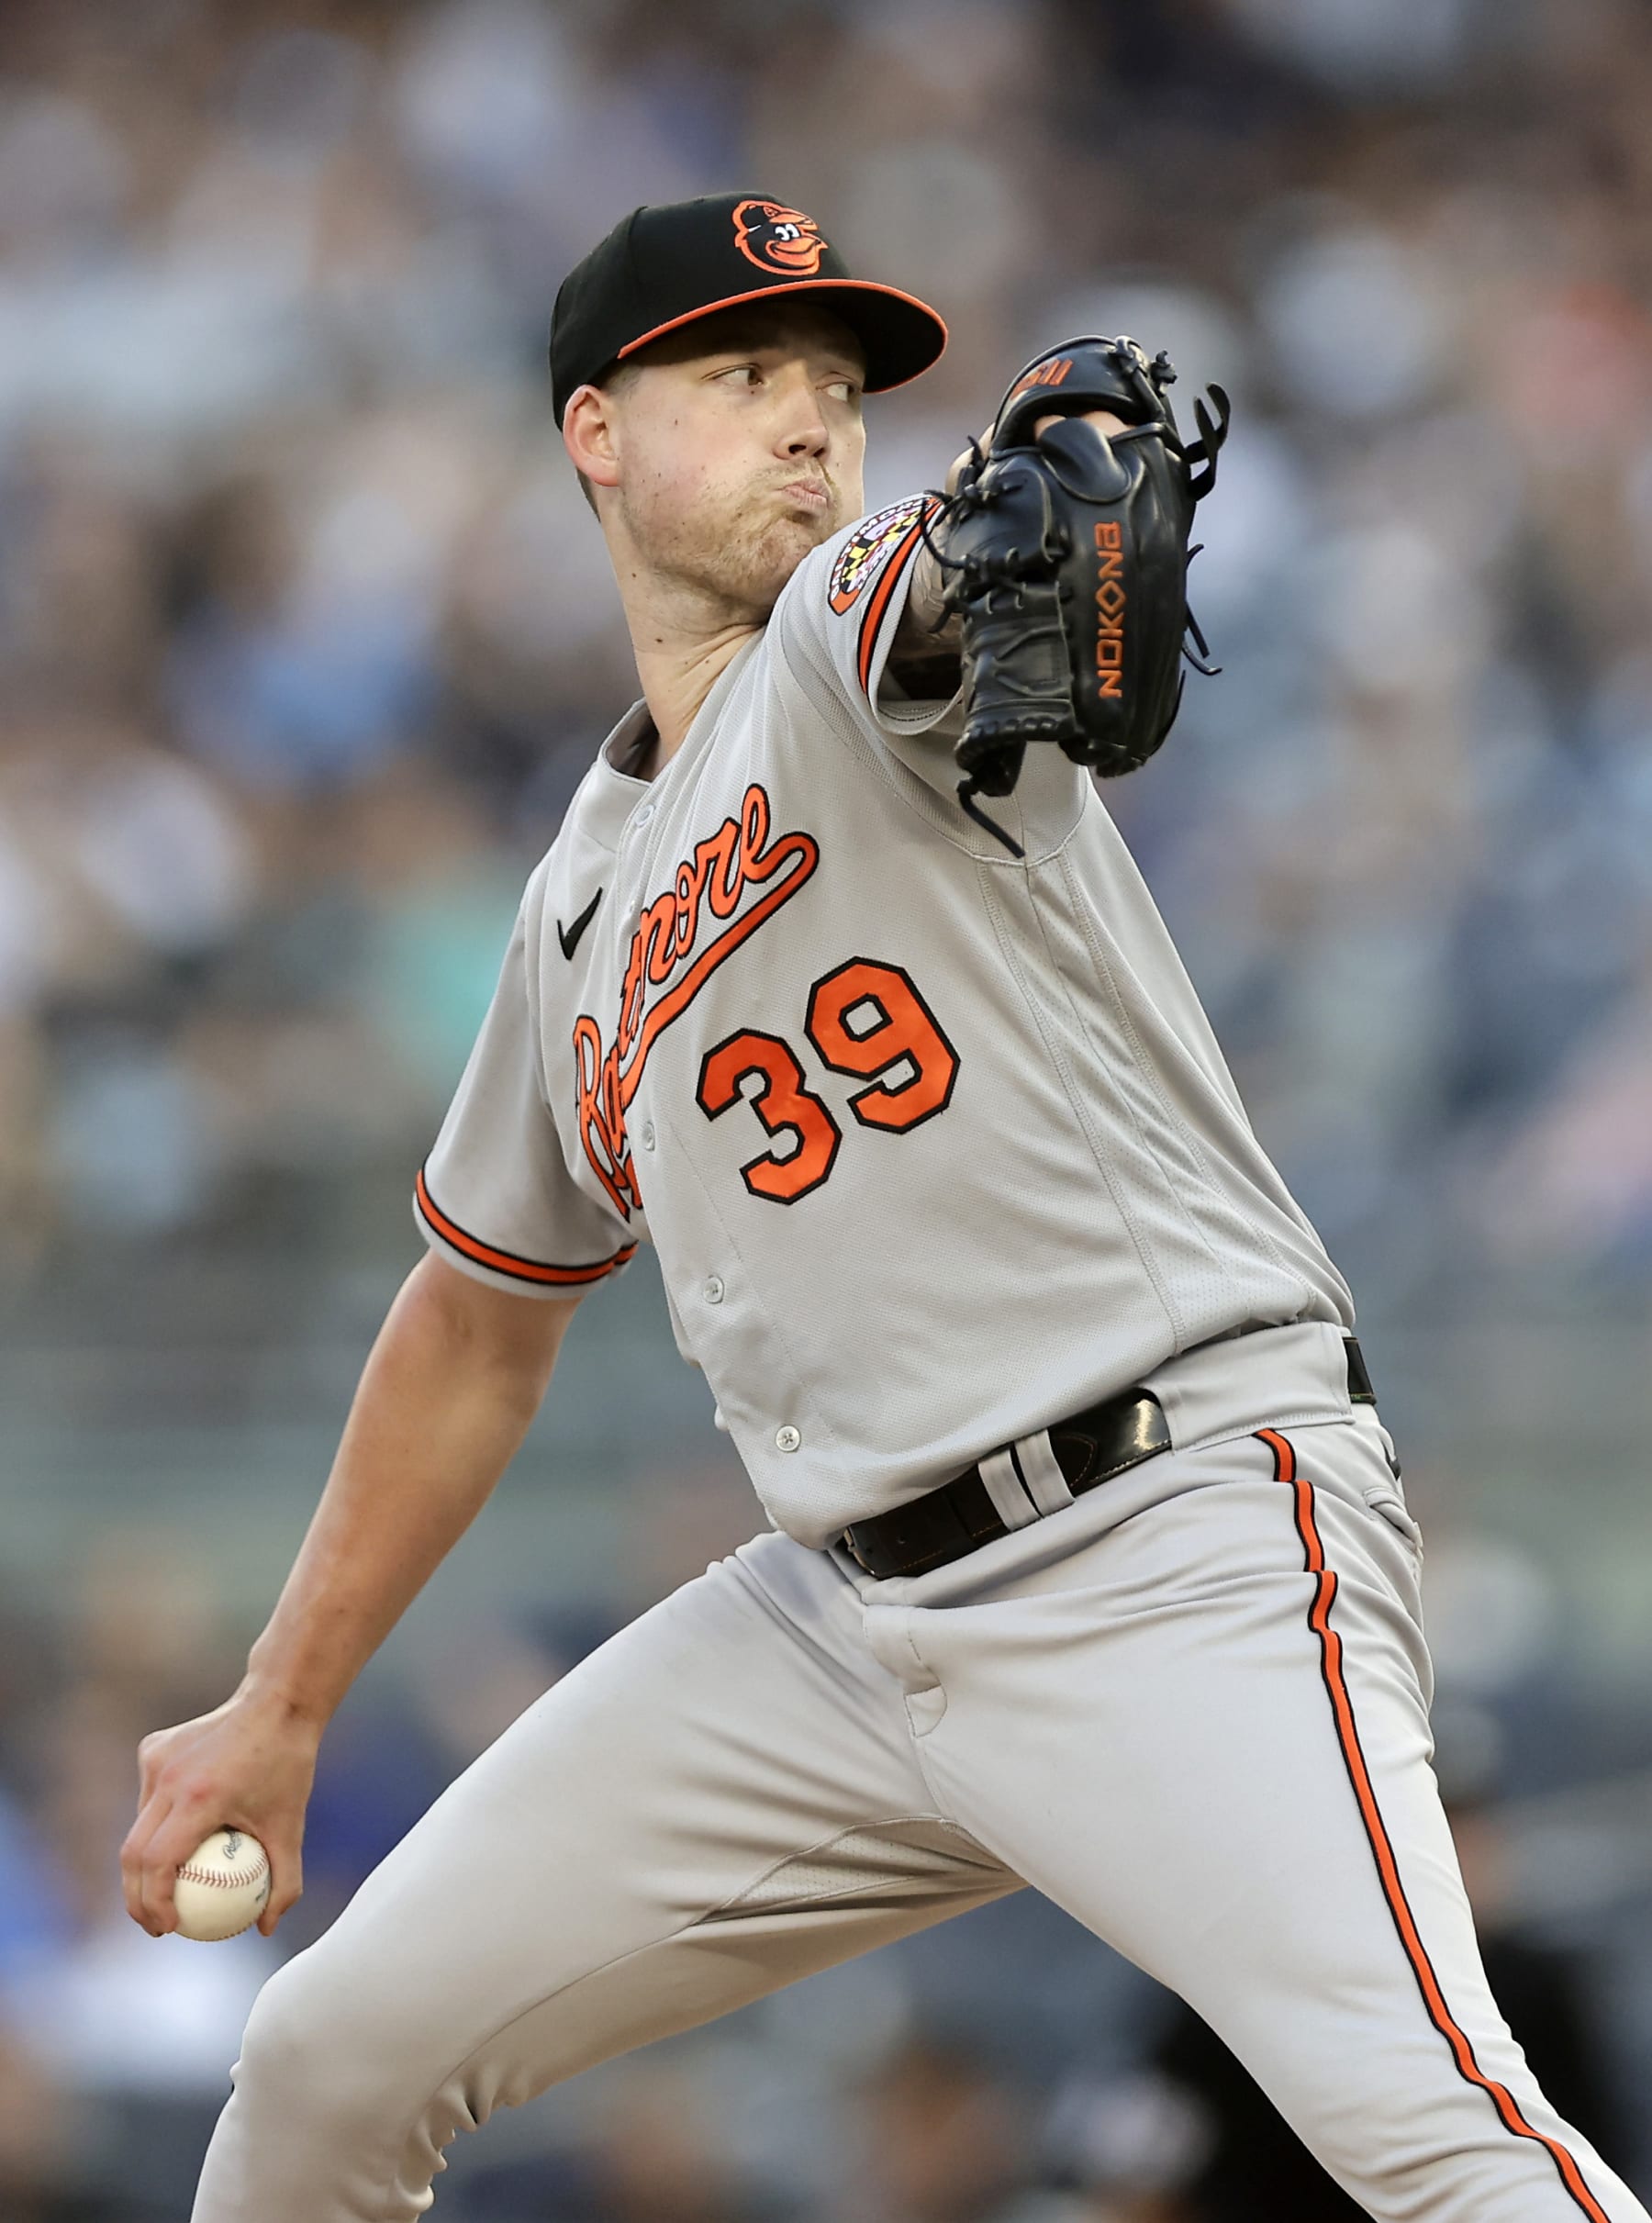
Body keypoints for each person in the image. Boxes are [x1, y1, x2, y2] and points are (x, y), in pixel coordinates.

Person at [122, 193, 1647, 2222]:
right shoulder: (576, 905)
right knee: (323, 2063)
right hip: (844, 1619)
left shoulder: (850, 639)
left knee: (1437, 2130)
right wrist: (281, 1699)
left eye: (837, 391)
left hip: (1167, 1533)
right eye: (742, 376)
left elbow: (965, 573)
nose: (811, 425)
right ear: (592, 429)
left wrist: (1037, 505)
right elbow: (475, 1316)